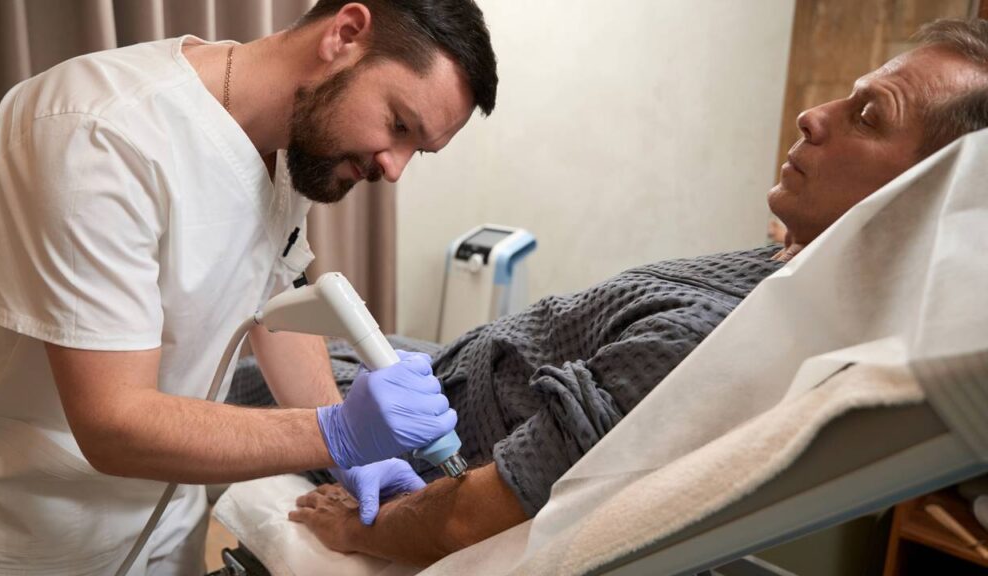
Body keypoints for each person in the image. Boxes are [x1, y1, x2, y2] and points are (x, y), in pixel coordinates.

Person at [286, 18, 988, 567]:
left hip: (412, 440)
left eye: (869, 116)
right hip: (437, 375)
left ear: (921, 203)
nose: (815, 115)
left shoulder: (719, 336)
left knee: (251, 344)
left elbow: (472, 514)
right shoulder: (790, 268)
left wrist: (358, 529)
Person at [0, 1, 497, 574]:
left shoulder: (291, 144)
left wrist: (351, 455)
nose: (394, 169)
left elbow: (274, 303)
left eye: (418, 149)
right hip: (33, 535)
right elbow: (111, 424)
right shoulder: (97, 134)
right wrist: (335, 433)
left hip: (170, 521)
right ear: (344, 34)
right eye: (399, 124)